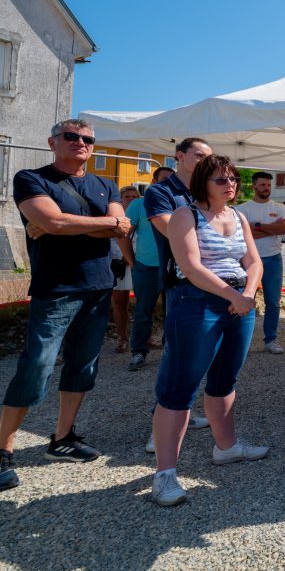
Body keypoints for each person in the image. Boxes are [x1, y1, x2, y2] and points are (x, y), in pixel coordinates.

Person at [0, 119, 129, 492]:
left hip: (98, 286)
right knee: (36, 366)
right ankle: (3, 447)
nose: (80, 143)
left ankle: (62, 438)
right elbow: (51, 222)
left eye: (87, 138)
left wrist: (64, 223)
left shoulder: (105, 183)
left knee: (83, 366)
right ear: (52, 142)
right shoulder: (31, 178)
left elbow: (121, 227)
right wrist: (89, 224)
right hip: (56, 289)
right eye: (71, 137)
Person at [150, 155, 266, 506]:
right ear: (203, 182)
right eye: (220, 180)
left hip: (238, 303)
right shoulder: (186, 215)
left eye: (232, 179)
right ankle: (165, 474)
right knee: (179, 387)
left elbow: (254, 260)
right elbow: (190, 265)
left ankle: (226, 448)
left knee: (224, 380)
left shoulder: (239, 215)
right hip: (197, 302)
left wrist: (246, 295)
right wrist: (234, 295)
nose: (229, 185)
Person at [139, 137, 213, 370]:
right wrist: (215, 234)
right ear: (180, 156)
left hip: (212, 276)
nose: (205, 161)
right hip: (180, 281)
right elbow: (173, 232)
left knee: (207, 349)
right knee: (178, 352)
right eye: (200, 155)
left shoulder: (210, 190)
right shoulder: (160, 192)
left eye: (208, 158)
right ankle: (169, 404)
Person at [236, 171, 285, 354]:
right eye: (262, 185)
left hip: (274, 259)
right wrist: (271, 229)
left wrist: (257, 226)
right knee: (246, 299)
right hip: (249, 260)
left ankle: (271, 340)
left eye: (268, 185)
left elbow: (283, 228)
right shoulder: (242, 209)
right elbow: (244, 234)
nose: (266, 188)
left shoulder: (280, 206)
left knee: (273, 302)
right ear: (254, 187)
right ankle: (240, 339)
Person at [123, 167, 173, 360]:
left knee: (173, 310)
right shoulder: (138, 204)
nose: (168, 184)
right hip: (146, 267)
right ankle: (138, 351)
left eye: (172, 180)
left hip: (172, 266)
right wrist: (131, 261)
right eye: (163, 180)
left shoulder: (179, 203)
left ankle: (170, 349)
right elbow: (123, 235)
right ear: (153, 182)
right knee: (144, 310)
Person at [111, 185, 141, 353]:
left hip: (140, 262)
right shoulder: (115, 217)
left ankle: (145, 337)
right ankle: (122, 338)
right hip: (120, 262)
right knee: (119, 301)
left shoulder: (144, 214)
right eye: (128, 196)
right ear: (121, 200)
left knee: (144, 302)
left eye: (134, 196)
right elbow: (111, 240)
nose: (131, 199)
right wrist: (124, 256)